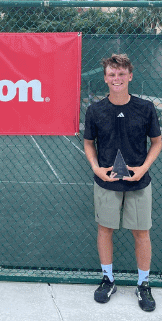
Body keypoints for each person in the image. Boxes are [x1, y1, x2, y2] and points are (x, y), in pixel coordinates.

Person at [83, 54, 157, 312]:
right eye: (112, 74)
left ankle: (143, 284)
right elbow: (89, 143)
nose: (117, 78)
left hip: (139, 183)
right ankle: (108, 280)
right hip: (106, 182)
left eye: (121, 74)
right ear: (105, 78)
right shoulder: (95, 110)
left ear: (130, 76)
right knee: (105, 229)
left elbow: (157, 142)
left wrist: (143, 169)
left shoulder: (146, 108)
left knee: (141, 233)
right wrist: (96, 168)